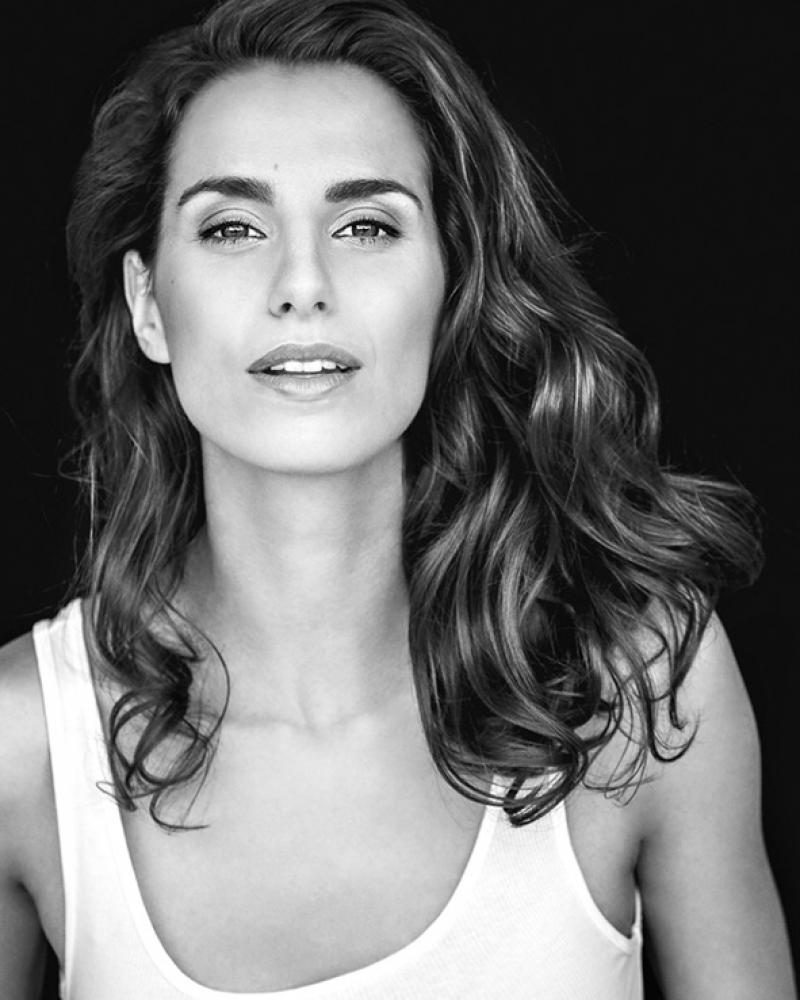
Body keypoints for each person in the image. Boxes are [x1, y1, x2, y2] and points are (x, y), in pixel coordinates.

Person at [0, 0, 795, 996]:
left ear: (449, 284)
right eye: (233, 226)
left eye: (366, 225)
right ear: (148, 305)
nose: (302, 284)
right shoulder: (22, 745)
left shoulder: (639, 687)